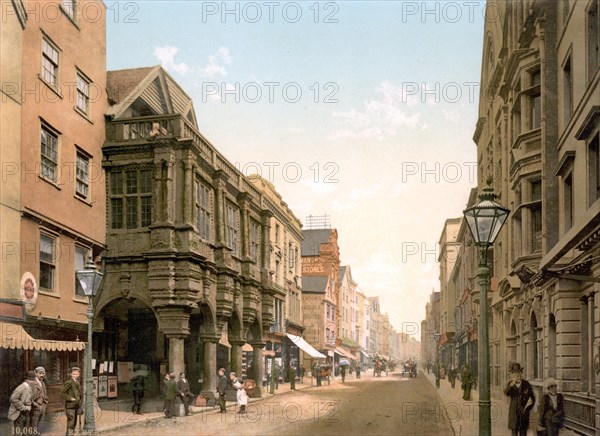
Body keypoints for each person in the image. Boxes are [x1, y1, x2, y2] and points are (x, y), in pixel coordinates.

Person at [504, 362, 535, 436]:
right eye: (514, 373)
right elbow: (506, 393)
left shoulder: (526, 384)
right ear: (512, 374)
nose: (517, 374)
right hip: (514, 415)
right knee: (514, 433)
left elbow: (533, 398)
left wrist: (527, 409)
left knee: (523, 433)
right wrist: (512, 384)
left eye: (518, 372)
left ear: (521, 373)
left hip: (523, 415)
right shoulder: (510, 384)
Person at [60, 367, 83, 436]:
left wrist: (80, 403)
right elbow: (62, 393)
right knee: (71, 422)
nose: (75, 375)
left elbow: (79, 394)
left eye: (76, 374)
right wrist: (70, 398)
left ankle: (70, 434)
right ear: (71, 375)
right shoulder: (69, 382)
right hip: (70, 406)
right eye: (73, 374)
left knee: (74, 422)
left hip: (76, 406)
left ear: (79, 375)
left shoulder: (77, 383)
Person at [31, 366, 48, 434]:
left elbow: (44, 392)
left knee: (41, 420)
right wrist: (35, 404)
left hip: (43, 405)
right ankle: (33, 433)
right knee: (34, 421)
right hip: (36, 406)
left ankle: (37, 432)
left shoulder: (42, 382)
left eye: (43, 373)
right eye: (40, 373)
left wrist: (45, 402)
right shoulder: (33, 383)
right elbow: (29, 397)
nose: (42, 375)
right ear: (35, 373)